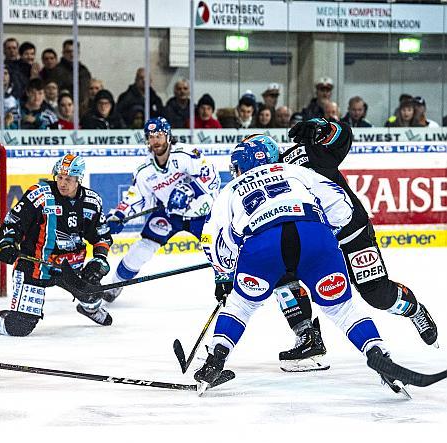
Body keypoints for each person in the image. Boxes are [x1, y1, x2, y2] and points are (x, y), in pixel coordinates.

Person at [194, 140, 401, 395]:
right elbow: (340, 203)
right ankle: (379, 355)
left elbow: (212, 238)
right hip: (315, 236)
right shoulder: (294, 171)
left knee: (241, 305)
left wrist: (225, 271)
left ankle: (215, 360)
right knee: (342, 309)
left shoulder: (231, 189)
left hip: (262, 245)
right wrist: (325, 233)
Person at [271, 119, 437, 371]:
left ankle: (413, 309)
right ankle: (308, 336)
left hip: (351, 232)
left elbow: (342, 139)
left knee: (376, 294)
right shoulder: (260, 183)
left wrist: (326, 126)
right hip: (315, 239)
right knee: (281, 273)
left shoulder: (302, 154)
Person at [102, 117, 220, 303]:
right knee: (142, 248)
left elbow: (211, 176)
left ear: (168, 136)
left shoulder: (186, 154)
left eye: (159, 135)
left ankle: (237, 283)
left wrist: (190, 190)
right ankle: (116, 284)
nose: (155, 140)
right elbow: (135, 197)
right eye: (151, 136)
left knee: (219, 250)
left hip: (200, 214)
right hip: (170, 214)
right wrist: (119, 214)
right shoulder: (144, 171)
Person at [0, 154, 113, 336]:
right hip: (34, 266)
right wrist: (7, 243)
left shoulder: (92, 202)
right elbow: (13, 222)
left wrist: (99, 260)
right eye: (60, 177)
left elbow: (101, 236)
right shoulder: (40, 195)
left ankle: (89, 307)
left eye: (68, 179)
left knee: (93, 294)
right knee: (19, 327)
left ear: (78, 180)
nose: (62, 183)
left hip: (68, 267)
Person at [51, 39, 92, 112]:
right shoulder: (57, 71)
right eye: (68, 51)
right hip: (65, 110)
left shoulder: (84, 70)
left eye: (75, 51)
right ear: (63, 53)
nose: (72, 54)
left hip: (84, 109)